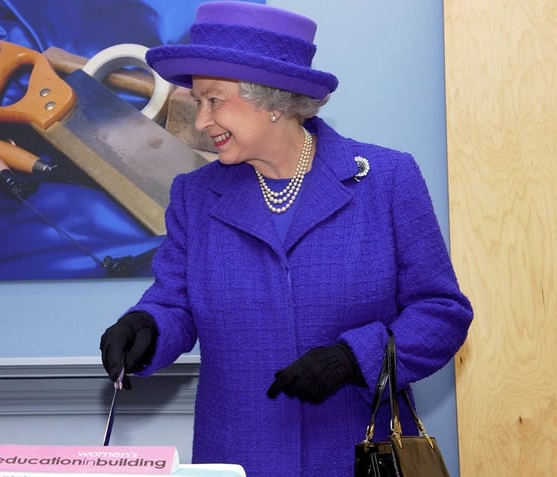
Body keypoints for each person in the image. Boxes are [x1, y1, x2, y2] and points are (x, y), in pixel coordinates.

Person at [99, 2, 473, 476]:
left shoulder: (386, 179)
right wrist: (146, 328)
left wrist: (354, 358)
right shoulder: (194, 195)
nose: (200, 122)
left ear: (274, 102)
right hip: (239, 455)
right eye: (198, 102)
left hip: (356, 452)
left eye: (214, 101)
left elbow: (442, 312)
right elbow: (175, 303)